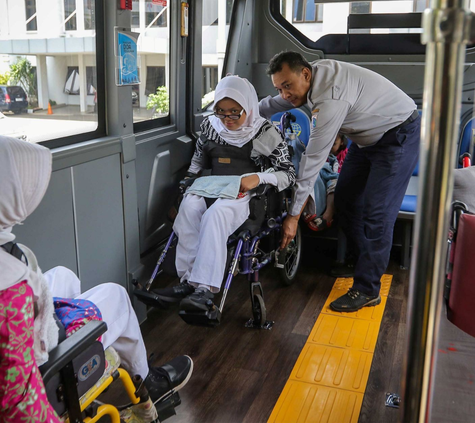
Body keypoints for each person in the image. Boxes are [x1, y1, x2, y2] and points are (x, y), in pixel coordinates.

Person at [0, 136, 192, 422]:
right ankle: (145, 381)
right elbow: (17, 395)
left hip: (30, 335)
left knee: (63, 275)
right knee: (115, 295)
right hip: (47, 369)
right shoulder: (11, 285)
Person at [259, 51, 420, 312]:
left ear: (305, 74)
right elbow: (276, 103)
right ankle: (362, 262)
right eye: (279, 88)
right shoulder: (310, 77)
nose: (285, 94)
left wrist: (293, 215)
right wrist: (244, 111)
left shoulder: (330, 96)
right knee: (345, 199)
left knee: (377, 213)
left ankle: (367, 288)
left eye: (287, 86)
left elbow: (312, 162)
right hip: (365, 139)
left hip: (397, 135)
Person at [154, 75, 295, 311]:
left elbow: (288, 174)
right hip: (214, 186)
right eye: (220, 111)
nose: (226, 119)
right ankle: (188, 281)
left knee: (216, 214)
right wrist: (187, 185)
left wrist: (258, 177)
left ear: (248, 107)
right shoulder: (210, 126)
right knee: (189, 207)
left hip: (249, 194)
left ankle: (205, 289)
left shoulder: (265, 132)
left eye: (234, 112)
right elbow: (197, 163)